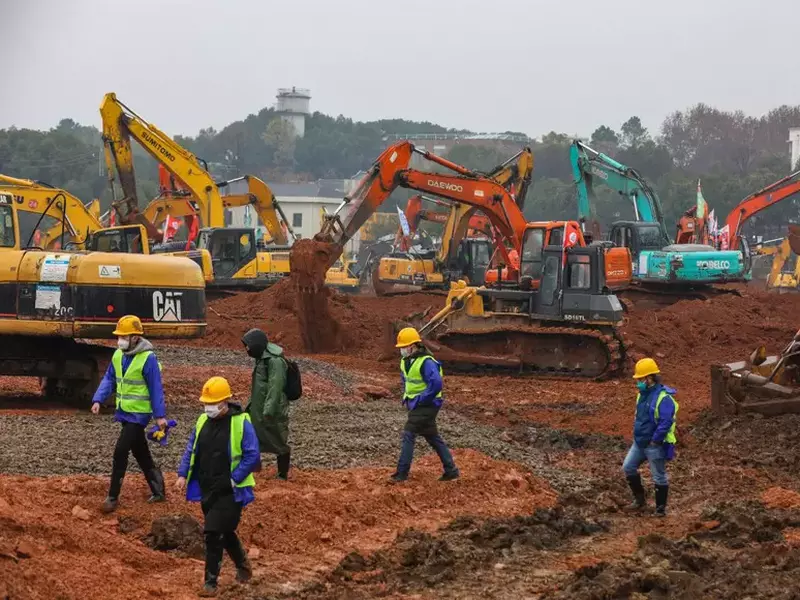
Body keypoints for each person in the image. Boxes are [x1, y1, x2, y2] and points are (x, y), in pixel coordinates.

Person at [176, 376, 258, 597]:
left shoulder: (241, 422)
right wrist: (183, 474)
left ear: (225, 402)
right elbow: (191, 448)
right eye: (206, 404)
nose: (208, 408)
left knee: (212, 532)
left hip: (231, 490)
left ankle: (210, 582)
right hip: (208, 487)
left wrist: (235, 478)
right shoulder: (202, 421)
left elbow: (253, 456)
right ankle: (243, 565)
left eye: (212, 404)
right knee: (224, 530)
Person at [91, 314, 167, 513]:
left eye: (124, 336)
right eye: (119, 336)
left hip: (139, 415)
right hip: (125, 412)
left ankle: (113, 496)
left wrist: (160, 416)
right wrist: (98, 399)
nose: (120, 340)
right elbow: (109, 379)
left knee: (120, 450)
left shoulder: (148, 358)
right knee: (140, 452)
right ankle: (158, 489)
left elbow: (155, 388)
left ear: (135, 337)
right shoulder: (118, 355)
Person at [390, 327, 459, 482]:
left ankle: (401, 473)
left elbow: (436, 384)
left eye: (403, 347)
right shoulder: (405, 361)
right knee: (432, 436)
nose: (401, 350)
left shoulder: (426, 361)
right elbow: (406, 379)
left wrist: (421, 399)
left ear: (412, 345)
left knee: (409, 434)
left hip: (427, 404)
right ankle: (451, 470)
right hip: (416, 404)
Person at [623, 357, 679, 517]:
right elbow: (639, 416)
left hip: (654, 445)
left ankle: (660, 510)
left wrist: (655, 440)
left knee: (659, 477)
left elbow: (666, 421)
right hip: (640, 442)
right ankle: (639, 501)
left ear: (650, 378)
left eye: (640, 379)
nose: (638, 382)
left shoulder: (664, 398)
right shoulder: (641, 395)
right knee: (628, 467)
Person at [241, 328, 291, 480]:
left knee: (277, 441)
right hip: (258, 408)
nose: (247, 349)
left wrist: (268, 411)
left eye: (248, 346)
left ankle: (282, 474)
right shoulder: (262, 358)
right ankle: (254, 467)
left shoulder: (274, 361)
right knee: (251, 437)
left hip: (271, 410)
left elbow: (275, 387)